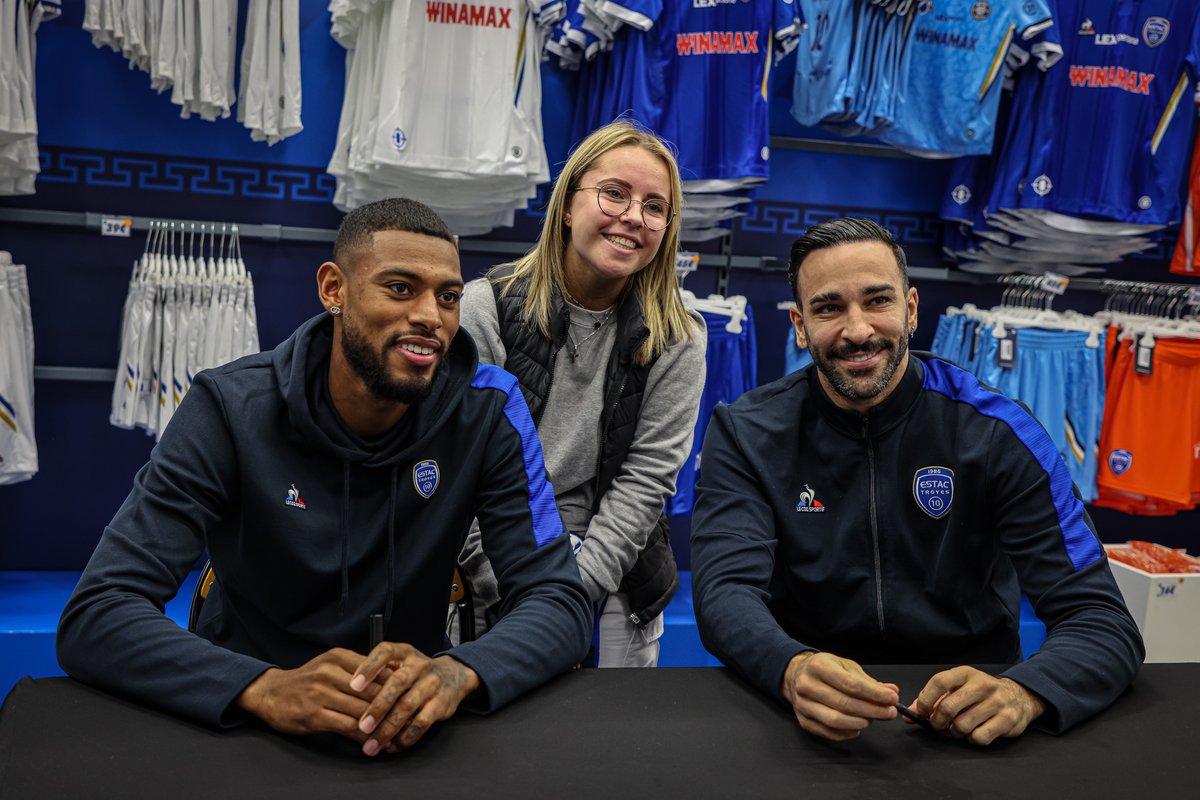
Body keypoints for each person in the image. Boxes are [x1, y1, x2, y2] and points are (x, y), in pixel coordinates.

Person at [57, 198, 592, 756]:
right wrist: (263, 687)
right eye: (401, 288)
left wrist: (455, 673)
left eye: (448, 296)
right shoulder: (229, 406)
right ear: (334, 289)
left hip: (409, 728)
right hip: (250, 723)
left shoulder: (490, 409)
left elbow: (559, 600)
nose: (432, 317)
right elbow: (98, 612)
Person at [690, 217, 1144, 745]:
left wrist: (1025, 692)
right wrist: (791, 668)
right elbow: (726, 592)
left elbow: (1099, 617)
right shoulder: (746, 431)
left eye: (877, 301)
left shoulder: (999, 432)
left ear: (910, 309)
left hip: (970, 723)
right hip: (804, 715)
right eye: (829, 307)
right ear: (799, 324)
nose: (857, 330)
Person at [456, 120, 707, 666]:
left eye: (655, 206)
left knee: (604, 749)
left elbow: (647, 479)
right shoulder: (484, 309)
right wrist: (507, 582)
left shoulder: (679, 337)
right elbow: (459, 466)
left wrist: (575, 591)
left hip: (620, 587)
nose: (633, 217)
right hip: (494, 578)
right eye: (614, 193)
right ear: (568, 205)